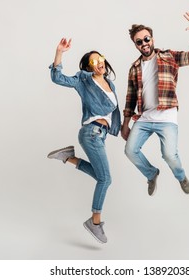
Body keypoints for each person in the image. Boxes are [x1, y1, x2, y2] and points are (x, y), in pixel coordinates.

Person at [121, 12, 189, 196]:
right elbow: (130, 99)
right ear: (135, 45)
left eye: (146, 39)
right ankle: (151, 174)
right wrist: (125, 124)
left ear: (152, 38)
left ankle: (181, 176)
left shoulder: (168, 57)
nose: (144, 43)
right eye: (139, 41)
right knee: (130, 150)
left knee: (169, 155)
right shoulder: (134, 68)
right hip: (144, 118)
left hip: (166, 116)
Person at [47, 38, 121, 244]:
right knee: (106, 179)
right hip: (91, 132)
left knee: (101, 177)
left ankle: (68, 157)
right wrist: (59, 53)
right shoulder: (84, 80)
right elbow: (58, 78)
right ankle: (95, 222)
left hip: (101, 135)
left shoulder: (110, 84)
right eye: (93, 62)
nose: (99, 63)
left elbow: (112, 115)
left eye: (101, 59)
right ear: (88, 67)